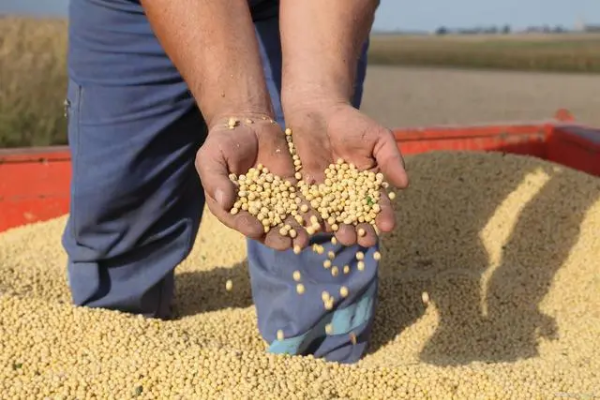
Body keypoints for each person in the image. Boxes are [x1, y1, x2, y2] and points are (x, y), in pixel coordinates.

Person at [62, 0, 408, 364]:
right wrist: (238, 111)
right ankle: (119, 351)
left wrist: (317, 97)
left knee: (316, 219)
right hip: (131, 12)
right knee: (123, 205)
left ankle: (318, 361)